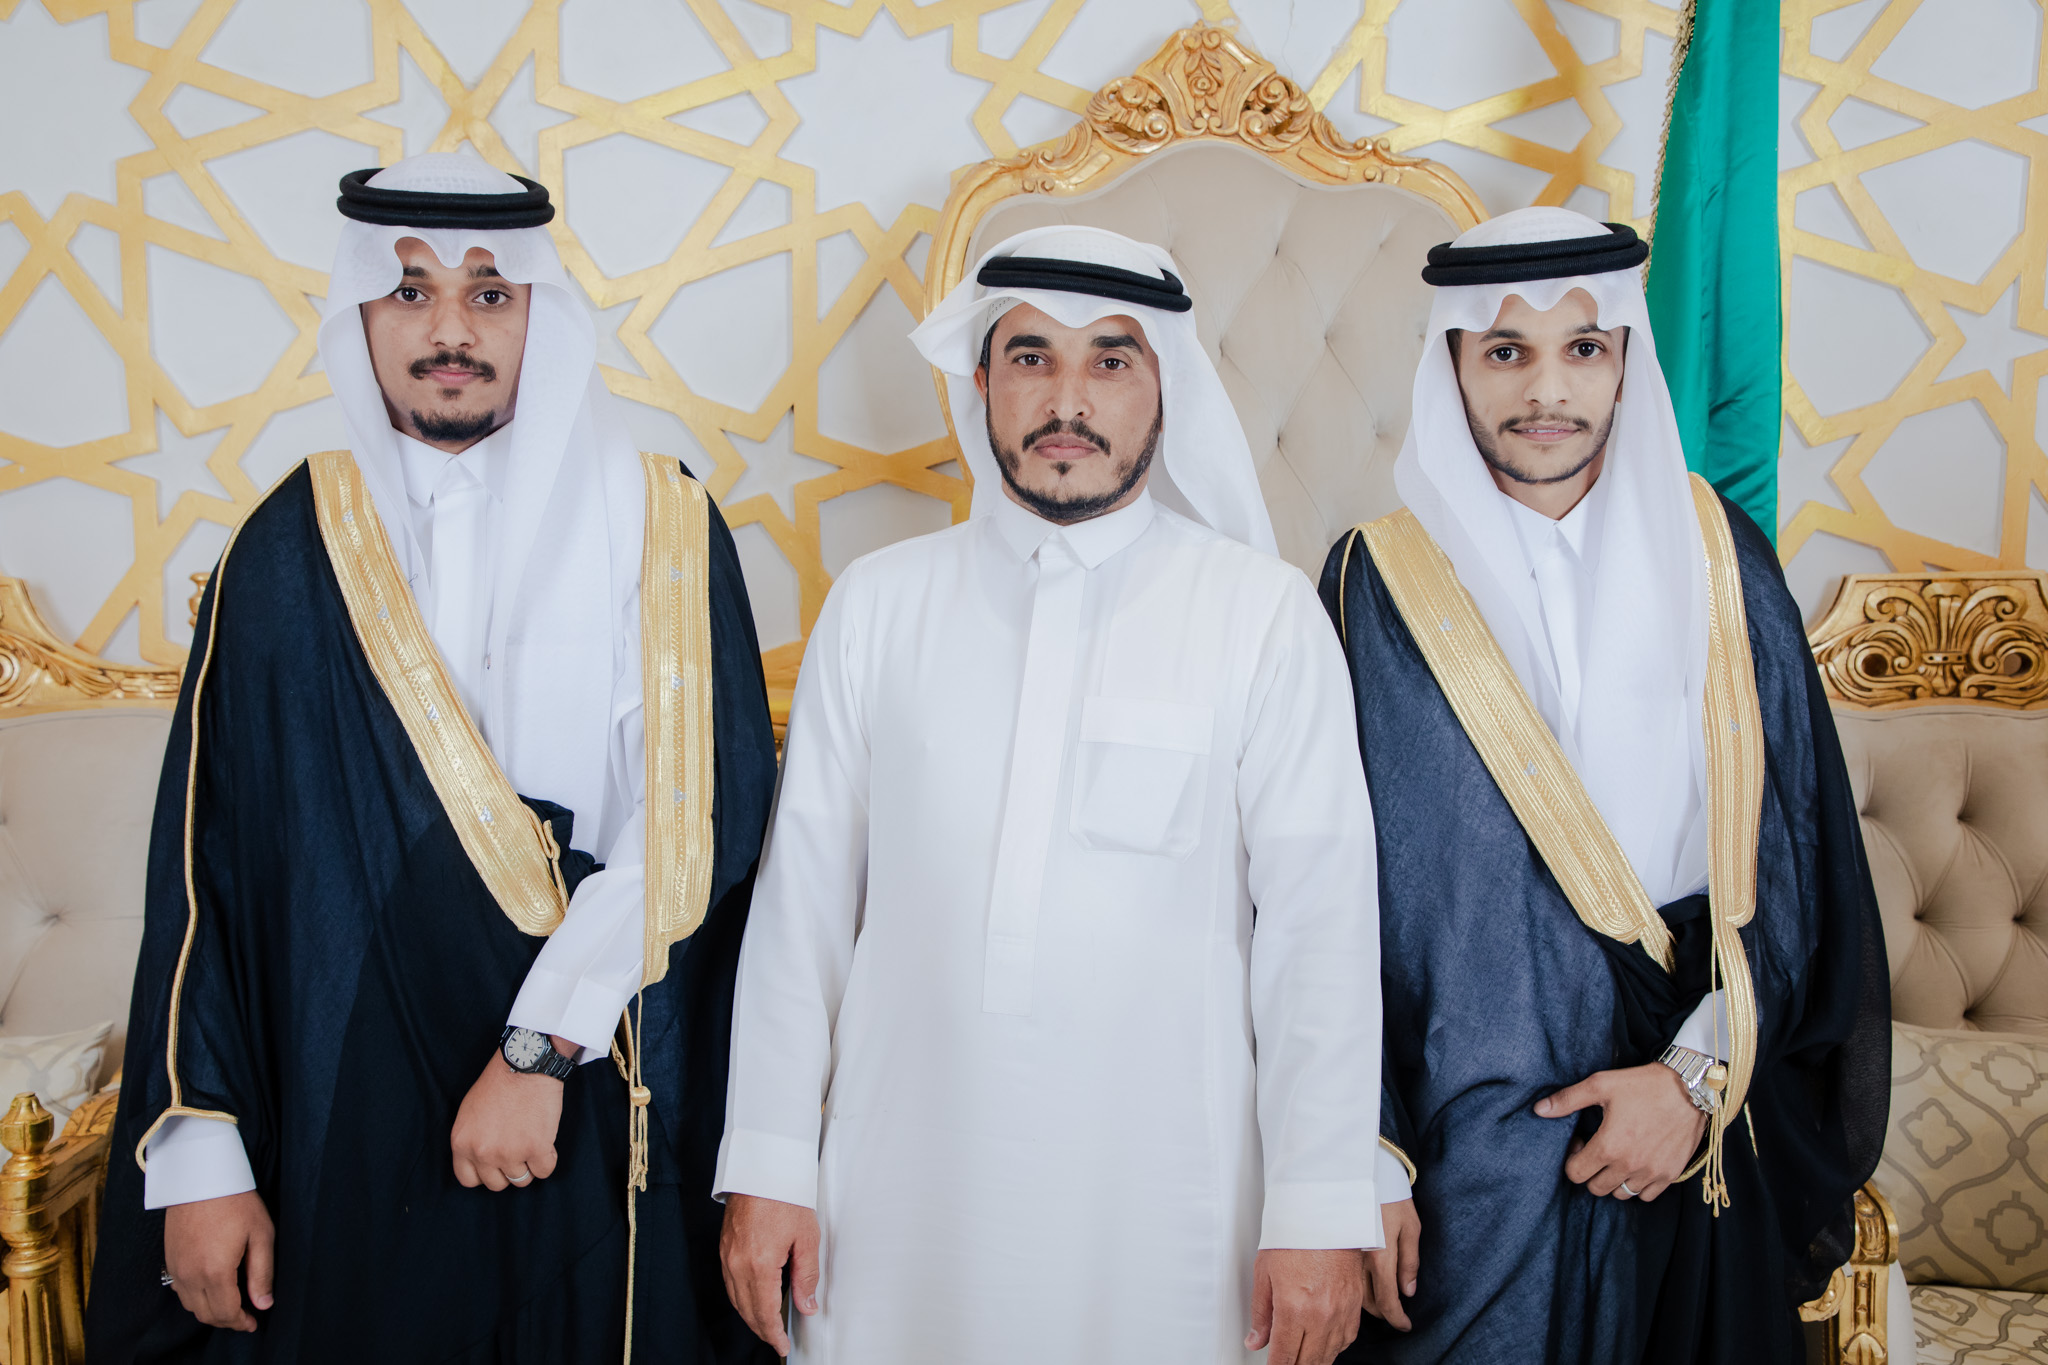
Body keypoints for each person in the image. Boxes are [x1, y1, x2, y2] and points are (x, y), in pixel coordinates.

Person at [87, 154, 779, 1363]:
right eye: (409, 292)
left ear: (537, 314)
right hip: (342, 1092)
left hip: (583, 1087)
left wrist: (537, 1050)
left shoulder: (658, 519)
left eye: (488, 294)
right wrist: (199, 1159)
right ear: (358, 311)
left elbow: (696, 823)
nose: (449, 331)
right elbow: (208, 871)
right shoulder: (289, 542)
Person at [713, 226, 1389, 1365]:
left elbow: (1319, 938)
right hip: (898, 1193)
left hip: (1175, 1207)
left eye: (1109, 360)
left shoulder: (1263, 617)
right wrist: (769, 1163)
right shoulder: (878, 604)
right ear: (981, 382)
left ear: (1164, 388)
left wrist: (1319, 1209)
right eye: (1030, 357)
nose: (1066, 400)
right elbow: (802, 915)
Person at [1321, 207, 1889, 1364]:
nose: (1546, 389)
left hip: (1697, 1112)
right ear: (1451, 364)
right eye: (1505, 351)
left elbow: (1791, 856)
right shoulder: (1371, 581)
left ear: (1625, 359)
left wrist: (1691, 1080)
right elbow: (1321, 894)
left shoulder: (1718, 557)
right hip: (1467, 1152)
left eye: (1582, 348)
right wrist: (1359, 1159)